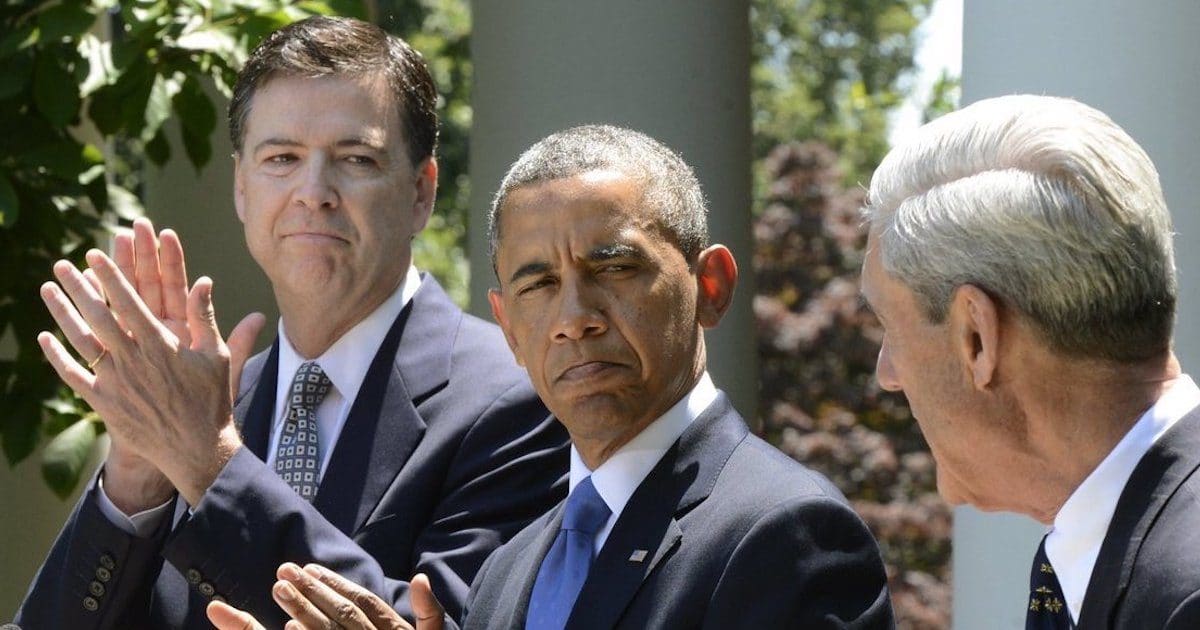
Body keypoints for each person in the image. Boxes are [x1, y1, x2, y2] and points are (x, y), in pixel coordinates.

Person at [208, 125, 895, 629]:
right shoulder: (510, 572)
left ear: (710, 285)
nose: (574, 318)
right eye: (538, 285)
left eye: (614, 268)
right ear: (507, 327)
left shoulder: (786, 534)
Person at [18, 16, 568, 629]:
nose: (314, 191)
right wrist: (135, 483)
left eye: (355, 158)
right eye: (282, 158)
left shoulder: (519, 397)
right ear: (242, 190)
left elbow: (445, 622)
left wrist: (212, 466)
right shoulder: (200, 405)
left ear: (421, 192)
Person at [857, 95, 1200, 628]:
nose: (886, 374)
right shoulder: (1124, 546)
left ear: (977, 337)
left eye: (889, 327)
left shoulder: (1184, 592)